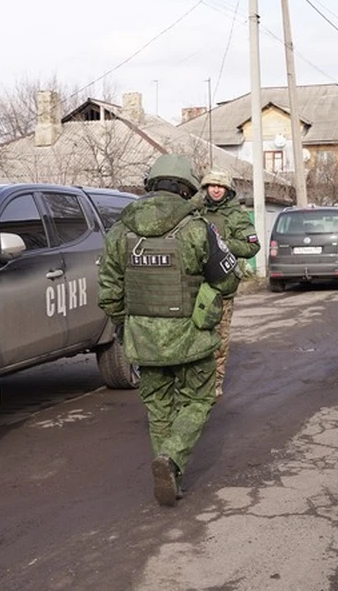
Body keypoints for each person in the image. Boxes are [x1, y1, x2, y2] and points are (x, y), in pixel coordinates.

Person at [98, 154, 240, 506]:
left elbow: (109, 294)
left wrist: (127, 324)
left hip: (144, 341)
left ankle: (169, 474)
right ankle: (172, 459)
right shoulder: (197, 228)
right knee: (200, 399)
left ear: (150, 186)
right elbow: (229, 278)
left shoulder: (119, 231)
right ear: (186, 189)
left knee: (159, 408)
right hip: (192, 338)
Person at [192, 169, 261, 398]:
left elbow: (252, 246)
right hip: (195, 286)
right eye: (212, 186)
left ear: (228, 190)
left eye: (220, 186)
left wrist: (222, 244)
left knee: (219, 339)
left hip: (222, 287)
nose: (216, 189)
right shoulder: (195, 211)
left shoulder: (236, 215)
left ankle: (215, 383)